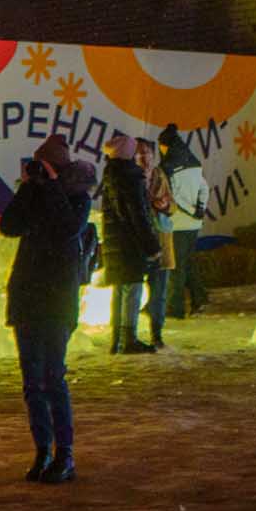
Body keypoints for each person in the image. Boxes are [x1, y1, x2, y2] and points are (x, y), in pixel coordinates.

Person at [0, 133, 94, 484]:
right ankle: (42, 451)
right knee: (32, 383)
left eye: (47, 165)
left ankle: (64, 454)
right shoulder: (34, 194)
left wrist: (52, 186)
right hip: (27, 297)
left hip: (57, 300)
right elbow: (7, 226)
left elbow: (68, 229)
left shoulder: (78, 196)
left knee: (53, 378)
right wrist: (27, 188)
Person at [99, 133, 160, 355]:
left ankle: (117, 339)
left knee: (119, 290)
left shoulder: (111, 174)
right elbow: (138, 215)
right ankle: (129, 339)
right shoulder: (130, 177)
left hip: (115, 242)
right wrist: (152, 246)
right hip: (129, 243)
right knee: (132, 288)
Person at [158, 124, 211, 319]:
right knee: (187, 262)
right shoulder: (194, 162)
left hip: (177, 223)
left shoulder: (167, 166)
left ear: (165, 145)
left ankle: (175, 308)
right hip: (194, 224)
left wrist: (191, 211)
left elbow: (173, 195)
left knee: (176, 267)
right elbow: (204, 188)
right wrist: (200, 209)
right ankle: (199, 298)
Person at [141, 140, 175, 349]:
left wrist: (166, 205)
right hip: (140, 241)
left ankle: (157, 333)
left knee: (159, 292)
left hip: (161, 239)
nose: (143, 157)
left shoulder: (160, 176)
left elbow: (173, 205)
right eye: (139, 153)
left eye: (147, 153)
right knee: (133, 290)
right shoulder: (131, 178)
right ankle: (126, 335)